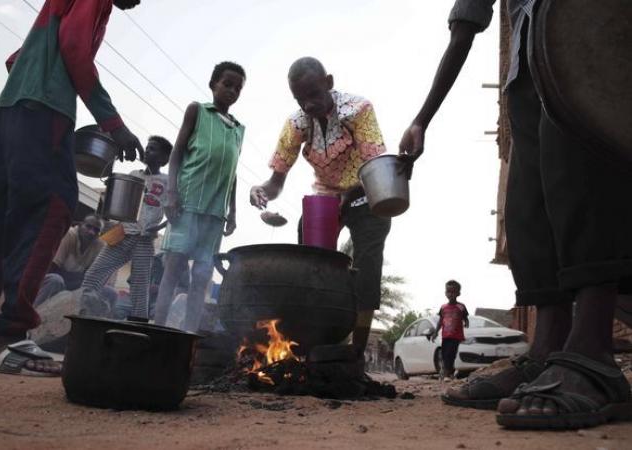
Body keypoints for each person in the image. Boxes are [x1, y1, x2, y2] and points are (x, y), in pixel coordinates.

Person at [399, 0, 632, 429]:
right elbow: (465, 26)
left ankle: (592, 347)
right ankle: (548, 348)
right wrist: (422, 119)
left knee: (580, 168)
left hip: (586, 29)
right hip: (527, 64)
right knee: (528, 204)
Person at [0, 0, 144, 375]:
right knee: (52, 207)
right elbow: (73, 46)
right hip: (46, 110)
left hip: (11, 108)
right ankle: (10, 336)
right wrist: (112, 123)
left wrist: (36, 78)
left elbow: (17, 58)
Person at [249, 57, 390, 353]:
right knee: (312, 266)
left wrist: (347, 198)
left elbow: (376, 166)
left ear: (329, 82)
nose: (308, 105)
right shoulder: (296, 124)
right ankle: (315, 342)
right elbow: (276, 182)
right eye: (300, 99)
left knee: (367, 269)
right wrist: (261, 191)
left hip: (366, 190)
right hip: (326, 196)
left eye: (313, 94)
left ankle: (356, 352)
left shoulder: (358, 110)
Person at [153, 61, 245, 332]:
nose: (232, 90)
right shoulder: (198, 111)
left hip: (215, 213)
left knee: (202, 275)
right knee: (174, 268)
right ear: (213, 84)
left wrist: (234, 210)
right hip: (187, 204)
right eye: (227, 84)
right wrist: (171, 193)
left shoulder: (238, 128)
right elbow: (177, 153)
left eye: (238, 88)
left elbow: (233, 171)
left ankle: (188, 336)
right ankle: (157, 330)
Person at [79, 136, 172, 320]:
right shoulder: (134, 175)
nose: (146, 151)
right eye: (146, 148)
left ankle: (137, 322)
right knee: (94, 273)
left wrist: (158, 227)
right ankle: (82, 310)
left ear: (163, 159)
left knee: (139, 286)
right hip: (122, 232)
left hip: (145, 239)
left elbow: (174, 213)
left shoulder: (167, 182)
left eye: (152, 149)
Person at [33, 214, 105, 307]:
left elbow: (91, 277)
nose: (91, 232)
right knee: (56, 280)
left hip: (74, 284)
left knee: (107, 292)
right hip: (50, 279)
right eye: (88, 226)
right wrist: (79, 279)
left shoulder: (99, 245)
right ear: (80, 225)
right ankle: (30, 314)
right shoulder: (69, 235)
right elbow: (53, 268)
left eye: (96, 230)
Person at [431, 280, 469, 380]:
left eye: (453, 292)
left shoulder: (461, 306)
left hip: (456, 336)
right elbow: (440, 321)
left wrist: (466, 322)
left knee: (450, 354)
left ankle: (447, 374)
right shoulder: (443, 308)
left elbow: (465, 317)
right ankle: (450, 373)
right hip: (445, 336)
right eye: (448, 292)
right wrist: (435, 333)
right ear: (445, 293)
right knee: (444, 355)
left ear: (458, 293)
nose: (450, 294)